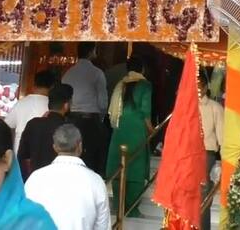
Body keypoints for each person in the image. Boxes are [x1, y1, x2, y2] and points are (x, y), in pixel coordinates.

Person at [25, 124, 111, 230]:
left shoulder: (35, 178)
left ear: (55, 148)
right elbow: (102, 227)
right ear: (80, 146)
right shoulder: (96, 181)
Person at [106, 57, 152, 218]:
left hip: (120, 129)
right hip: (137, 130)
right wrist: (152, 131)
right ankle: (132, 209)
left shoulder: (121, 84)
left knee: (120, 167)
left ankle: (119, 206)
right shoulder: (145, 85)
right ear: (143, 69)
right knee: (136, 169)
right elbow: (146, 112)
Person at [62, 42, 108, 175]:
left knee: (71, 154)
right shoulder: (97, 73)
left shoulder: (68, 73)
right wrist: (101, 118)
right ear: (92, 51)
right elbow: (103, 102)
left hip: (71, 119)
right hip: (90, 120)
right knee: (93, 157)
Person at [18, 83, 73, 180]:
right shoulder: (68, 129)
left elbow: (22, 156)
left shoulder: (33, 124)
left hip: (32, 180)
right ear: (66, 105)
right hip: (59, 182)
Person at [6, 70, 55, 155]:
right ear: (52, 86)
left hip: (20, 150)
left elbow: (8, 124)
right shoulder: (53, 106)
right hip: (43, 151)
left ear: (34, 84)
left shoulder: (21, 103)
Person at [198, 74, 224, 229]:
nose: (198, 89)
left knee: (202, 191)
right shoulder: (187, 105)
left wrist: (225, 159)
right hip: (189, 153)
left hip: (206, 153)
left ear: (206, 87)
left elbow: (221, 135)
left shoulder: (215, 107)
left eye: (200, 86)